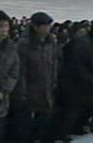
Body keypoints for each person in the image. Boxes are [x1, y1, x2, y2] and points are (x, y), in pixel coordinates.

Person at [11, 12, 59, 142]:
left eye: (49, 25)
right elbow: (21, 70)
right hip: (30, 89)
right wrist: (22, 92)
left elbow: (54, 63)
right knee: (26, 125)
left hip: (47, 88)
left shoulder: (51, 41)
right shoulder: (24, 44)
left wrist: (54, 82)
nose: (48, 28)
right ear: (36, 27)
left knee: (45, 121)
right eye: (45, 26)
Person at [59, 20, 93, 139]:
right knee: (75, 108)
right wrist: (89, 79)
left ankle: (88, 126)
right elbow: (78, 65)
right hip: (79, 82)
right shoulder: (83, 44)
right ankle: (66, 131)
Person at [0, 10, 20, 142]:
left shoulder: (11, 47)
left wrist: (5, 90)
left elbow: (14, 71)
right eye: (0, 26)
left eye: (6, 26)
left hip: (2, 101)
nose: (4, 29)